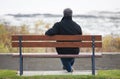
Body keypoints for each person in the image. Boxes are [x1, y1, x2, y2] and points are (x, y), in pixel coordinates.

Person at [45, 8, 82, 72]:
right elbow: (80, 41)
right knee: (72, 53)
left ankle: (69, 69)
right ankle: (67, 66)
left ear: (63, 14)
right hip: (74, 50)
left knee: (64, 55)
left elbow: (48, 33)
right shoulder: (77, 26)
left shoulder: (58, 25)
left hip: (62, 50)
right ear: (71, 15)